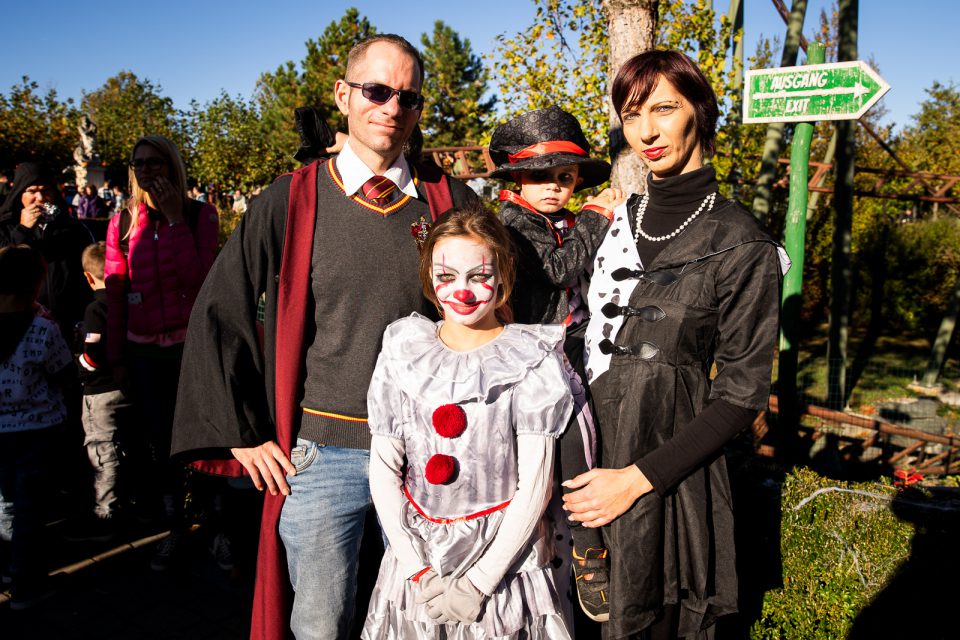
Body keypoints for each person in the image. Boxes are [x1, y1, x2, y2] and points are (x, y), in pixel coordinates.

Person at [170, 34, 479, 640]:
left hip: (424, 451)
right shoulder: (292, 199)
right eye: (377, 91)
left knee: (424, 619)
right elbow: (222, 308)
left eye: (409, 97)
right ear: (343, 95)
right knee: (319, 623)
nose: (393, 107)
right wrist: (242, 433)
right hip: (321, 455)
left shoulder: (447, 201)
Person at [562, 50, 788, 639]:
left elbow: (740, 396)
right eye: (631, 115)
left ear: (700, 112)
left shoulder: (744, 244)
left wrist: (634, 480)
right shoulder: (613, 221)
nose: (646, 132)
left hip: (665, 478)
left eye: (664, 109)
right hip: (582, 462)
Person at [361, 204, 574, 638]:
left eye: (479, 276)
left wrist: (479, 582)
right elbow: (383, 469)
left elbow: (535, 486)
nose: (462, 291)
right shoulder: (404, 348)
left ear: (503, 274)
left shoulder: (530, 360)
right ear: (429, 275)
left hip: (504, 562)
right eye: (447, 276)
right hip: (419, 558)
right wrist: (418, 571)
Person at [488, 105, 620, 622]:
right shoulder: (515, 223)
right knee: (570, 441)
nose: (553, 187)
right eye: (540, 177)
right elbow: (557, 270)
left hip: (578, 345)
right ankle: (588, 548)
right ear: (517, 178)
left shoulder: (559, 220)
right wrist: (595, 218)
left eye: (564, 178)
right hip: (536, 353)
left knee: (593, 434)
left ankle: (588, 539)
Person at [104, 135, 219, 570]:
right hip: (144, 355)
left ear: (172, 167)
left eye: (155, 162)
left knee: (205, 440)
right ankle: (176, 528)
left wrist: (174, 220)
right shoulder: (121, 224)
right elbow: (117, 295)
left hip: (191, 350)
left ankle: (215, 526)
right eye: (139, 164)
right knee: (161, 445)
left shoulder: (200, 215)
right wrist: (117, 357)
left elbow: (201, 280)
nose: (147, 171)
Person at [0, 244, 74, 609]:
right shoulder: (43, 328)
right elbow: (64, 373)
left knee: (5, 502)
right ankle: (27, 584)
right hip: (37, 430)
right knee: (31, 508)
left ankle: (8, 567)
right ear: (37, 283)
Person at [62, 241, 133, 542]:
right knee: (130, 446)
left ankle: (106, 515)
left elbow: (93, 353)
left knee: (103, 451)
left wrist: (78, 366)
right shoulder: (129, 302)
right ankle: (139, 504)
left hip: (100, 390)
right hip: (127, 386)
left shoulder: (96, 309)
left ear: (88, 278)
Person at [0, 162, 93, 343]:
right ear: (19, 193)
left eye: (45, 190)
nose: (40, 198)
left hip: (66, 325)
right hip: (18, 328)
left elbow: (89, 274)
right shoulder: (5, 227)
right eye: (32, 191)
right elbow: (5, 266)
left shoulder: (74, 229)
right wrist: (23, 230)